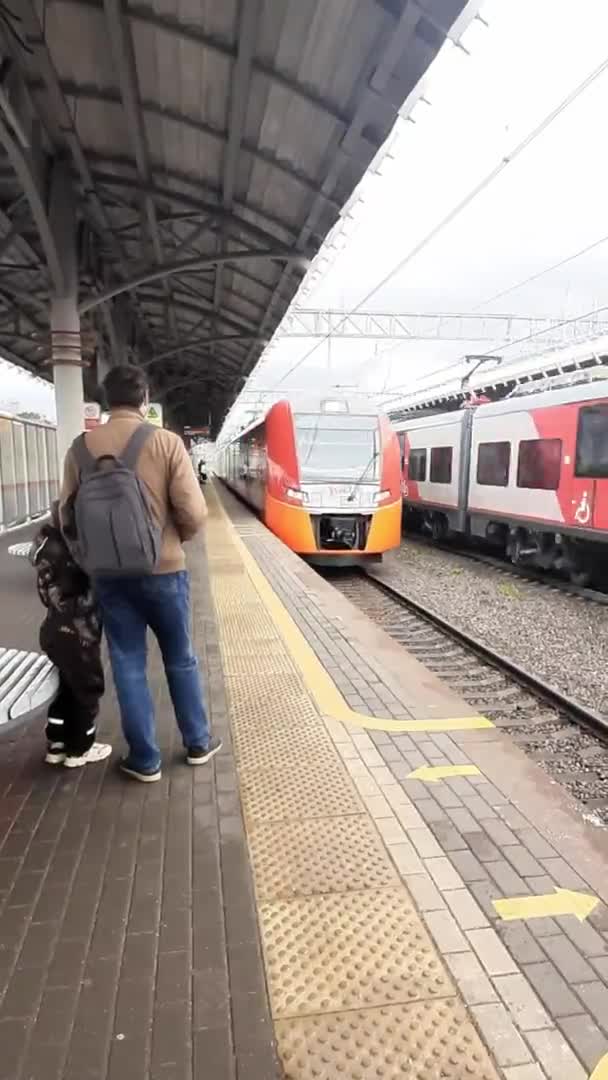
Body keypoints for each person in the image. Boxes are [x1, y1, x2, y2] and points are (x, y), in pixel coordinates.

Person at [60, 364, 221, 782]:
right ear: (145, 399)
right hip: (165, 572)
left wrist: (90, 556)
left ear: (107, 401)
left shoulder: (80, 448)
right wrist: (172, 543)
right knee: (181, 658)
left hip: (110, 578)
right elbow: (193, 511)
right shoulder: (166, 443)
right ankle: (198, 742)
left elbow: (65, 516)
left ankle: (145, 760)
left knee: (128, 662)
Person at [30, 502, 110, 768]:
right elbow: (89, 596)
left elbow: (48, 596)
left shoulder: (47, 548)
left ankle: (57, 743)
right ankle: (80, 750)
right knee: (87, 691)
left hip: (53, 631)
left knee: (66, 688)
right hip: (80, 636)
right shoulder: (79, 550)